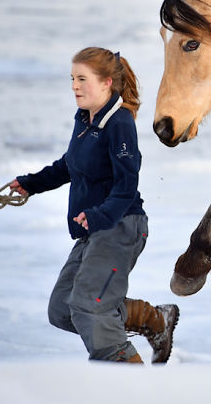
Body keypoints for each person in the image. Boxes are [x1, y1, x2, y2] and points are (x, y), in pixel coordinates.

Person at [10, 47, 178, 364]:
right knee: (62, 309)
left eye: (82, 79)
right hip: (94, 228)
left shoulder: (119, 123)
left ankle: (124, 381)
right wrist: (31, 184)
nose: (75, 85)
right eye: (73, 78)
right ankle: (155, 319)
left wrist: (100, 215)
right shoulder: (86, 119)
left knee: (90, 305)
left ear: (106, 83)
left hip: (120, 226)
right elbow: (71, 165)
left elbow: (127, 185)